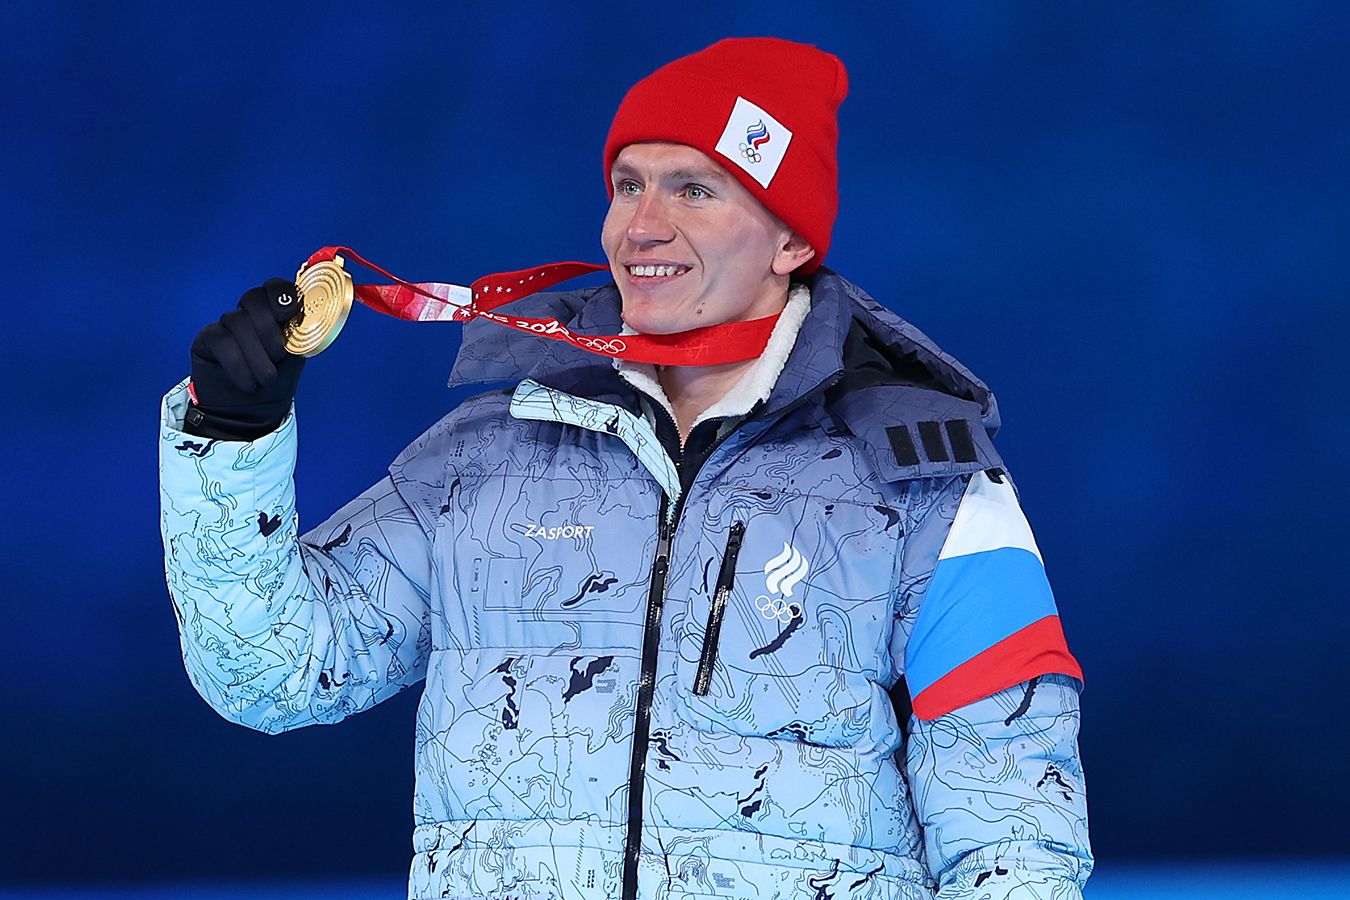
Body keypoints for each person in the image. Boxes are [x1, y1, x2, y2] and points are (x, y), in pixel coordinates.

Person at [159, 37, 1092, 900]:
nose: (642, 226)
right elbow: (274, 673)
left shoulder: (925, 482)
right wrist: (231, 436)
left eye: (695, 191)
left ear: (792, 240)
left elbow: (1016, 835)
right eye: (628, 185)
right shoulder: (489, 455)